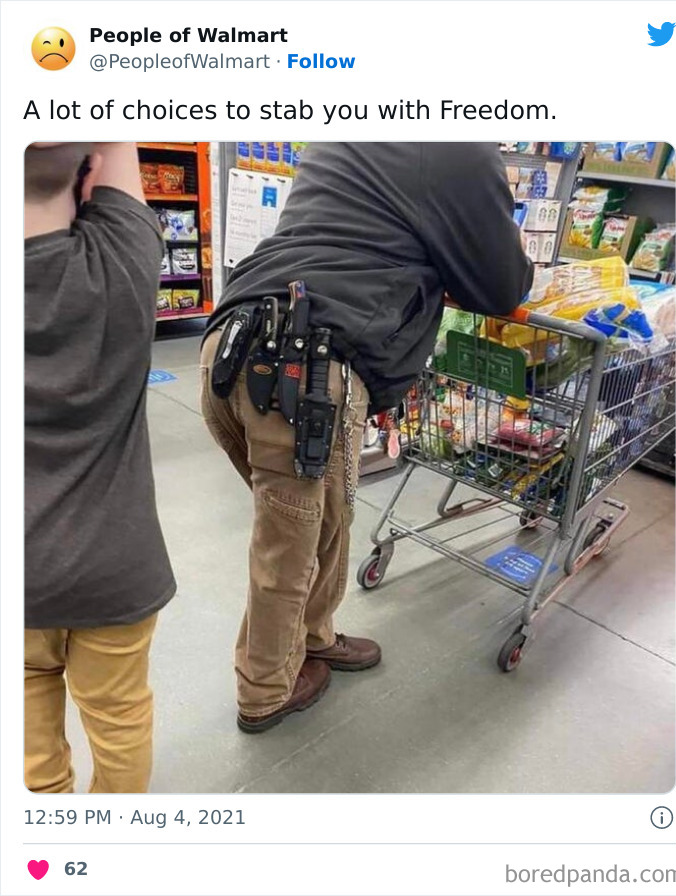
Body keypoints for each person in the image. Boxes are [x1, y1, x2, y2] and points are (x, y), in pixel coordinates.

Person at [201, 142, 532, 733]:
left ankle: (314, 637)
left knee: (324, 519)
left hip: (238, 341)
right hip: (301, 368)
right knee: (290, 544)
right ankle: (265, 689)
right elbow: (502, 283)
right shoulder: (459, 143)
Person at [24, 142, 176, 792]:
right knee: (119, 721)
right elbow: (115, 142)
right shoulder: (124, 267)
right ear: (86, 171)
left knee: (27, 724)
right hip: (117, 569)